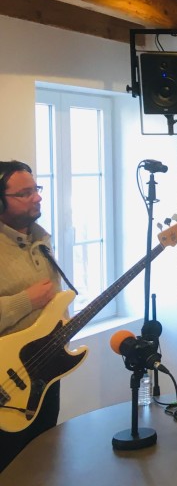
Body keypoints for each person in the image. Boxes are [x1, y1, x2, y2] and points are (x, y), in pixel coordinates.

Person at [0, 160, 61, 472]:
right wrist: (26, 301)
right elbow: (33, 300)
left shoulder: (41, 241)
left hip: (44, 371)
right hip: (5, 384)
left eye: (36, 189)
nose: (37, 197)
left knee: (43, 461)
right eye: (24, 193)